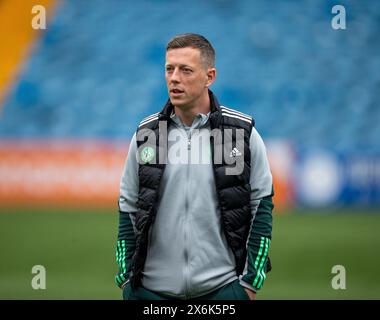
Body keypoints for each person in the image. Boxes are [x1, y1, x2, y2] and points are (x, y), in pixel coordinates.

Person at [115, 33, 274, 300]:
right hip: (151, 293)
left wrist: (248, 285)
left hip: (222, 291)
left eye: (185, 70)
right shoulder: (148, 134)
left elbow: (261, 205)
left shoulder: (239, 133)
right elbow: (128, 206)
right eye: (169, 69)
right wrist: (127, 280)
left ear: (209, 77)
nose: (174, 78)